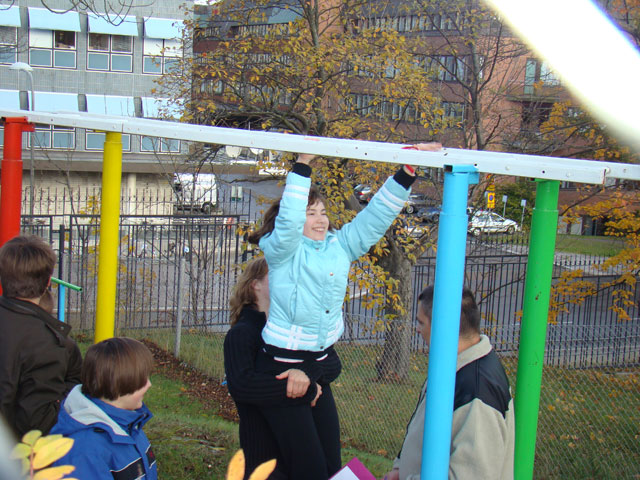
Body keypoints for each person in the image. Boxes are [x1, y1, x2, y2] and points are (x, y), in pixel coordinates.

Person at [247, 143, 441, 479]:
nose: (320, 219)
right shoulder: (283, 251)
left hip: (319, 364)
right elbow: (289, 223)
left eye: (323, 212)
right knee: (308, 469)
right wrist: (302, 165)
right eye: (311, 213)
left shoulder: (340, 246)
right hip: (283, 366)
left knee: (331, 466)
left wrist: (407, 173)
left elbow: (373, 219)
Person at [224, 257, 342, 480]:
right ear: (255, 285)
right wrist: (304, 389)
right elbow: (242, 385)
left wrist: (306, 375)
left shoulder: (296, 329)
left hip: (311, 441)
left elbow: (332, 362)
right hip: (266, 454)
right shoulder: (242, 333)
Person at [383, 286, 515, 480]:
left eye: (421, 323)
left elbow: (471, 475)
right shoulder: (455, 367)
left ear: (441, 327)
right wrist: (400, 470)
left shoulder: (477, 391)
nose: (417, 329)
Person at [0, 235, 82, 439]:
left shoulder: (50, 340)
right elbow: (37, 422)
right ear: (48, 282)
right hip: (15, 452)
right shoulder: (49, 343)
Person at [51, 337, 157, 480]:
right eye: (142, 379)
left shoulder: (130, 424)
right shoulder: (83, 450)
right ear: (118, 382)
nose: (149, 385)